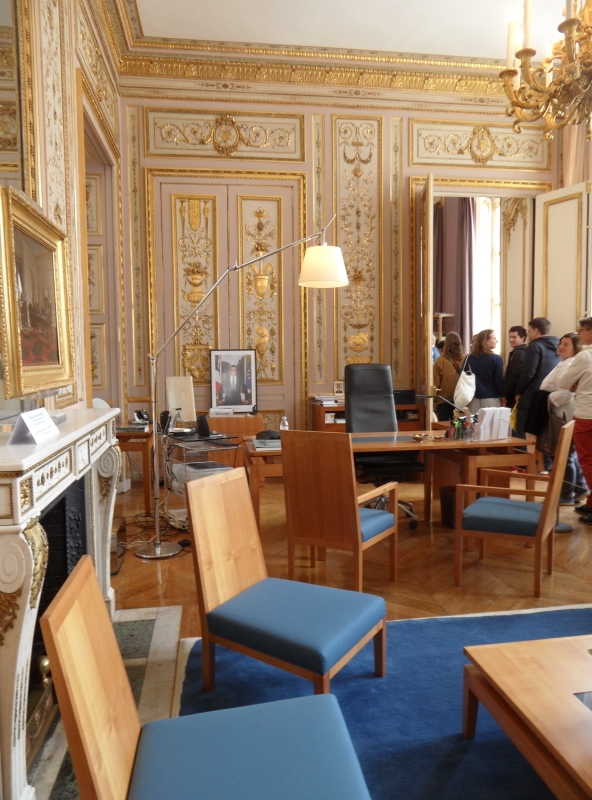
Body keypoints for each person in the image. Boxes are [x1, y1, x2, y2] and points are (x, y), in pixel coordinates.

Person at [539, 333, 588, 505]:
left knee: (565, 455)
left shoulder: (573, 363)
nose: (561, 347)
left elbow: (567, 392)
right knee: (568, 454)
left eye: (566, 344)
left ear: (575, 348)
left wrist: (549, 398)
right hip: (558, 412)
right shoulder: (563, 362)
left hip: (563, 413)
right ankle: (581, 488)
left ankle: (566, 495)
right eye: (561, 343)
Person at [557, 316, 592, 520]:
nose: (578, 334)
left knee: (587, 461)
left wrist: (576, 384)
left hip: (587, 415)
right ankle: (591, 503)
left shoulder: (585, 356)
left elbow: (563, 382)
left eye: (581, 330)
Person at [514, 317, 560, 438]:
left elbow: (528, 372)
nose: (530, 334)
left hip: (532, 393)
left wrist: (519, 392)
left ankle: (522, 450)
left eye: (530, 331)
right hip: (550, 392)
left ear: (536, 330)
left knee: (522, 428)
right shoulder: (559, 345)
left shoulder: (535, 346)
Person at [466, 329, 505, 413]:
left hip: (473, 398)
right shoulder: (496, 359)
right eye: (494, 338)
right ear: (486, 341)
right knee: (492, 421)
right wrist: (503, 396)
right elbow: (499, 380)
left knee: (475, 421)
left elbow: (463, 376)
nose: (496, 341)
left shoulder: (469, 358)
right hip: (491, 398)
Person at [433, 332, 464, 422]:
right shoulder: (465, 359)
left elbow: (435, 383)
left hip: (444, 400)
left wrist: (434, 400)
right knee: (459, 426)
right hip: (461, 400)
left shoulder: (440, 361)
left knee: (443, 426)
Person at [505, 325, 528, 409]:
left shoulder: (519, 353)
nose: (511, 340)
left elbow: (515, 375)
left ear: (523, 338)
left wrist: (507, 394)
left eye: (514, 337)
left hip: (514, 394)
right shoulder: (519, 351)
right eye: (510, 337)